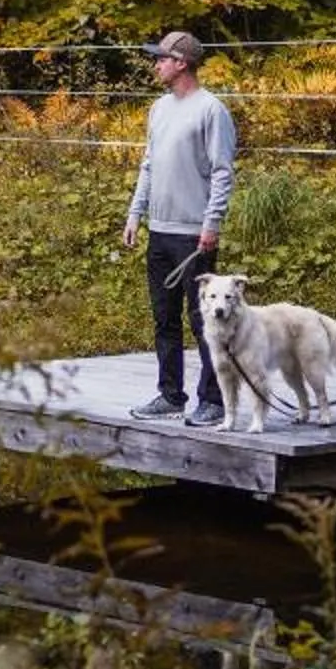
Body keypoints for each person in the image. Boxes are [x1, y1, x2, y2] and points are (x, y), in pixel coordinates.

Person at [121, 29, 237, 424]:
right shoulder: (158, 108)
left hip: (194, 233)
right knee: (164, 317)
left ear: (182, 63)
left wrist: (212, 223)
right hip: (160, 230)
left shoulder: (211, 110)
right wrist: (136, 213)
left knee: (203, 318)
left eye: (162, 58)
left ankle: (215, 399)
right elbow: (149, 165)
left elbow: (222, 172)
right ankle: (170, 395)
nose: (156, 64)